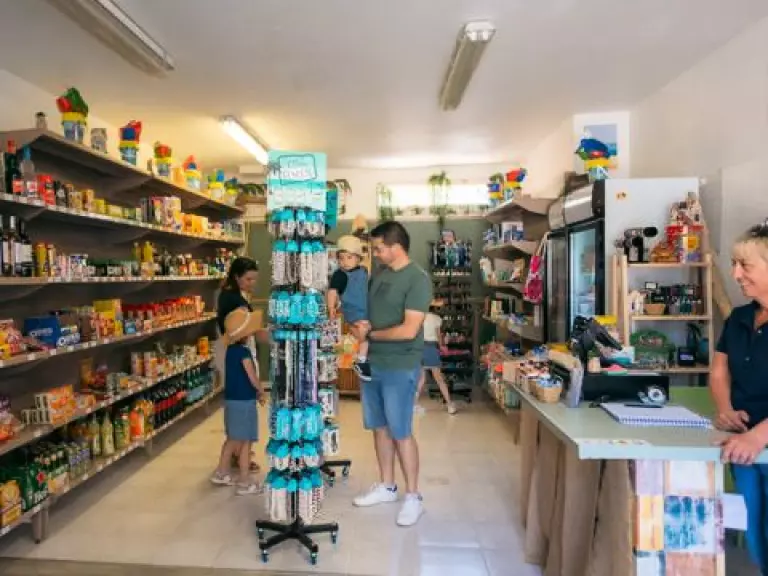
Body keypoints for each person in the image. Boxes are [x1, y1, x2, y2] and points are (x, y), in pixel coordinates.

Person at [352, 221, 431, 527]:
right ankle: (387, 485)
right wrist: (362, 329)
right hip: (373, 363)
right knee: (379, 427)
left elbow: (409, 330)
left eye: (379, 248)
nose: (375, 253)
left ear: (396, 247)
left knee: (401, 431)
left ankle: (413, 497)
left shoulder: (417, 279)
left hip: (400, 365)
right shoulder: (380, 274)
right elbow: (372, 317)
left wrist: (371, 335)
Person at [712, 222, 768, 573]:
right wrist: (726, 410)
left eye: (745, 265)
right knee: (756, 530)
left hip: (756, 440)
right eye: (734, 264)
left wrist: (759, 436)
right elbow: (720, 371)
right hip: (744, 445)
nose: (735, 274)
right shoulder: (740, 317)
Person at [214, 257, 267, 473]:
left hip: (235, 351)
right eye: (248, 279)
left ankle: (239, 455)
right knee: (244, 412)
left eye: (254, 279)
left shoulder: (232, 295)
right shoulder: (233, 300)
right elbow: (246, 328)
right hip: (239, 353)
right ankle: (241, 455)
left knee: (238, 415)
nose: (252, 283)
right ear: (236, 277)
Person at [210, 307, 266, 495]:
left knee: (232, 439)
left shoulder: (231, 351)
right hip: (244, 403)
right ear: (246, 334)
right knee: (245, 442)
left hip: (231, 401)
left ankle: (221, 472)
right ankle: (244, 481)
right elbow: (251, 376)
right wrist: (260, 390)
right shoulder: (244, 353)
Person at [327, 235, 371, 380]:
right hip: (353, 312)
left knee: (369, 337)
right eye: (341, 258)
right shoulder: (340, 275)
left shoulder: (364, 271)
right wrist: (331, 307)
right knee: (366, 336)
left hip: (367, 311)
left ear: (358, 258)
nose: (345, 262)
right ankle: (361, 360)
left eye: (349, 257)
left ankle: (362, 359)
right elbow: (332, 292)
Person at [415, 303, 457, 415]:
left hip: (419, 348)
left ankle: (413, 404)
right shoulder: (437, 319)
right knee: (439, 378)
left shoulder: (420, 316)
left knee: (421, 379)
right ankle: (449, 405)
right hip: (431, 348)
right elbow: (438, 336)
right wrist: (443, 346)